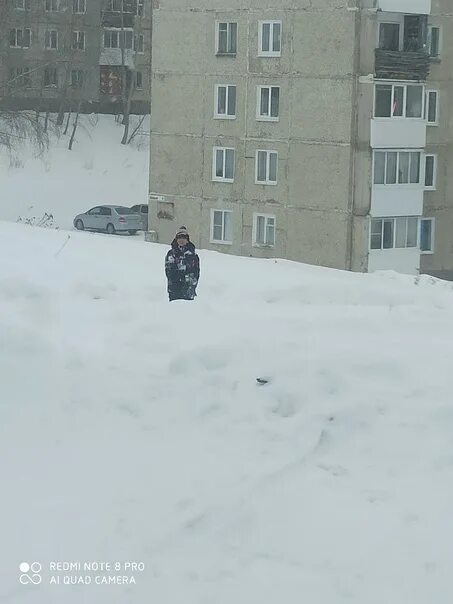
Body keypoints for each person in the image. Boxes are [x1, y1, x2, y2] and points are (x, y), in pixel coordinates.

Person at [165, 226, 200, 301]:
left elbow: (195, 272)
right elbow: (169, 271)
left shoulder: (193, 255)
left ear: (187, 240)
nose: (181, 240)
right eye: (179, 237)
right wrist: (177, 279)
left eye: (184, 238)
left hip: (188, 290)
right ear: (176, 239)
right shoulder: (171, 254)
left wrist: (191, 286)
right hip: (174, 290)